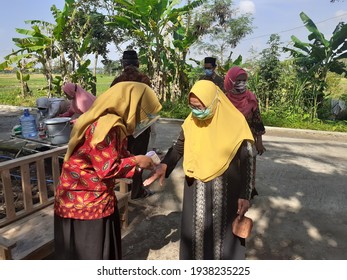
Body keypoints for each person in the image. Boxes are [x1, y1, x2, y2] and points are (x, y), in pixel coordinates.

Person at [144, 80, 255, 260]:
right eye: (193, 106)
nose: (197, 112)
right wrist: (165, 165)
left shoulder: (236, 122)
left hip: (226, 189)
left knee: (223, 238)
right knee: (195, 236)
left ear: (214, 102)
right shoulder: (192, 120)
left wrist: (245, 194)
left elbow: (248, 158)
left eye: (201, 107)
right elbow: (179, 145)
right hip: (195, 187)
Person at [54, 81, 162, 260]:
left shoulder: (107, 120)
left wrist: (140, 163)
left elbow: (114, 154)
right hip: (86, 205)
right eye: (142, 112)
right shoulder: (107, 126)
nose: (142, 119)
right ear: (131, 105)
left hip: (85, 199)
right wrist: (136, 160)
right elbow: (107, 168)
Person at [110, 49, 158, 200]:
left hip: (121, 127)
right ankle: (137, 190)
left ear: (123, 64)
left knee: (123, 156)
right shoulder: (144, 80)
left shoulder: (117, 81)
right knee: (139, 157)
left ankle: (124, 187)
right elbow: (150, 104)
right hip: (141, 128)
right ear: (138, 63)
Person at [224, 66, 266, 198]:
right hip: (228, 140)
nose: (241, 83)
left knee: (247, 167)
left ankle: (247, 194)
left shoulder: (250, 98)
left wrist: (259, 142)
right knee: (230, 168)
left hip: (248, 140)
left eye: (244, 80)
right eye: (238, 80)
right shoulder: (224, 99)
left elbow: (257, 120)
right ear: (230, 81)